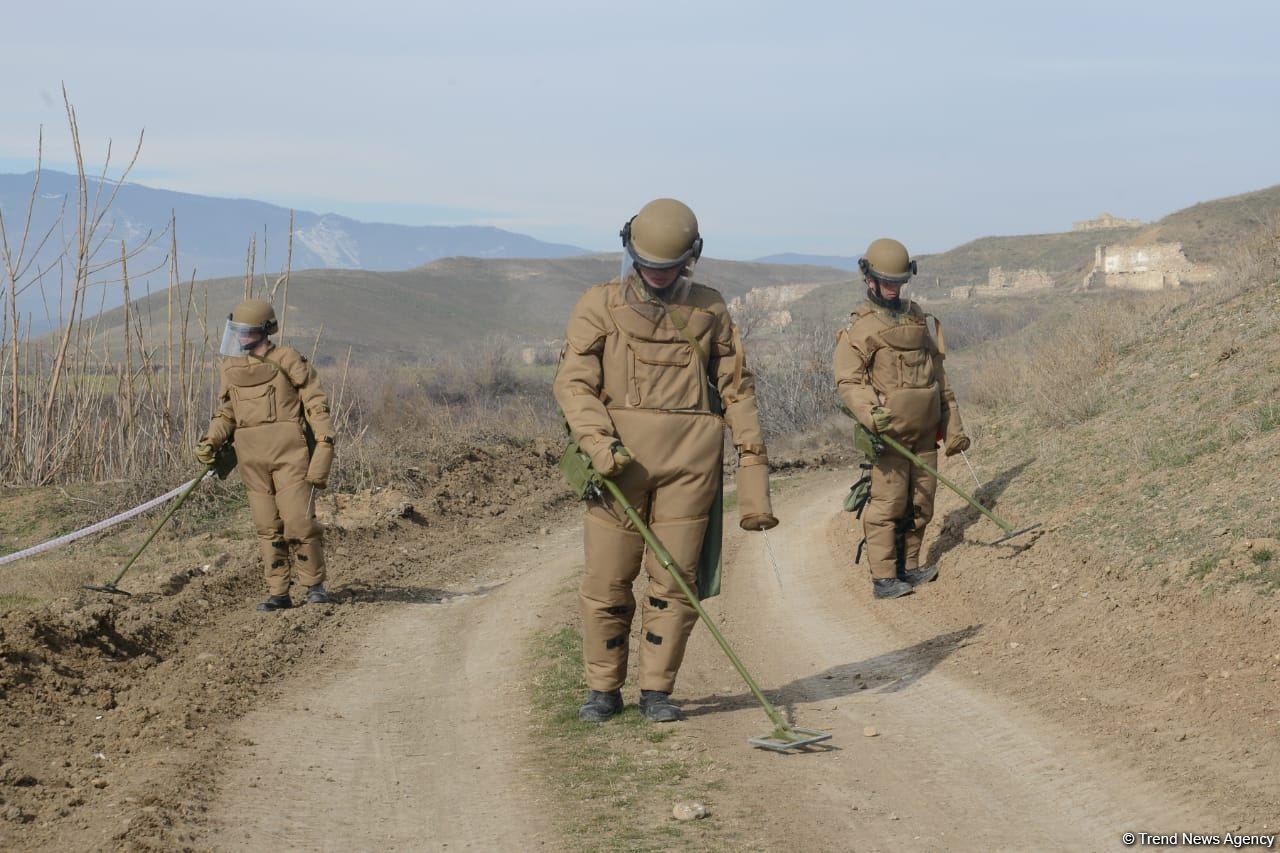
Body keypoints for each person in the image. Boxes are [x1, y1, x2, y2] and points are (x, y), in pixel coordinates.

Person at [554, 198, 777, 723]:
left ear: (691, 258)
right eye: (650, 266)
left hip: (690, 469)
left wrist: (754, 477)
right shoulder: (598, 305)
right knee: (607, 582)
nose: (658, 276)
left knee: (675, 581)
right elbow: (573, 384)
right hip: (618, 465)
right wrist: (598, 444)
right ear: (631, 253)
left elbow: (738, 391)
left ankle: (657, 691)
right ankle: (602, 690)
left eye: (670, 267)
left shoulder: (710, 309)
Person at [833, 238, 970, 599]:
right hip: (889, 436)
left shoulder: (917, 318)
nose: (893, 290)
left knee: (921, 503)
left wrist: (953, 424)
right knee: (888, 505)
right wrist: (870, 414)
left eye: (899, 283)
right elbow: (849, 381)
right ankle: (883, 578)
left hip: (925, 434)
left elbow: (938, 375)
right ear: (869, 280)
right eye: (887, 282)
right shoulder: (860, 329)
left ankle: (909, 567)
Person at [195, 299, 337, 612]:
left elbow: (315, 402)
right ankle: (279, 593)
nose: (241, 338)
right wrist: (211, 440)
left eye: (246, 332)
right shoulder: (232, 369)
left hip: (290, 455)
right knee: (267, 526)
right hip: (252, 460)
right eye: (237, 332)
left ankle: (314, 586)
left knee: (298, 522)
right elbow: (227, 412)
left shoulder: (287, 359)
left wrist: (325, 439)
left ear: (263, 330)